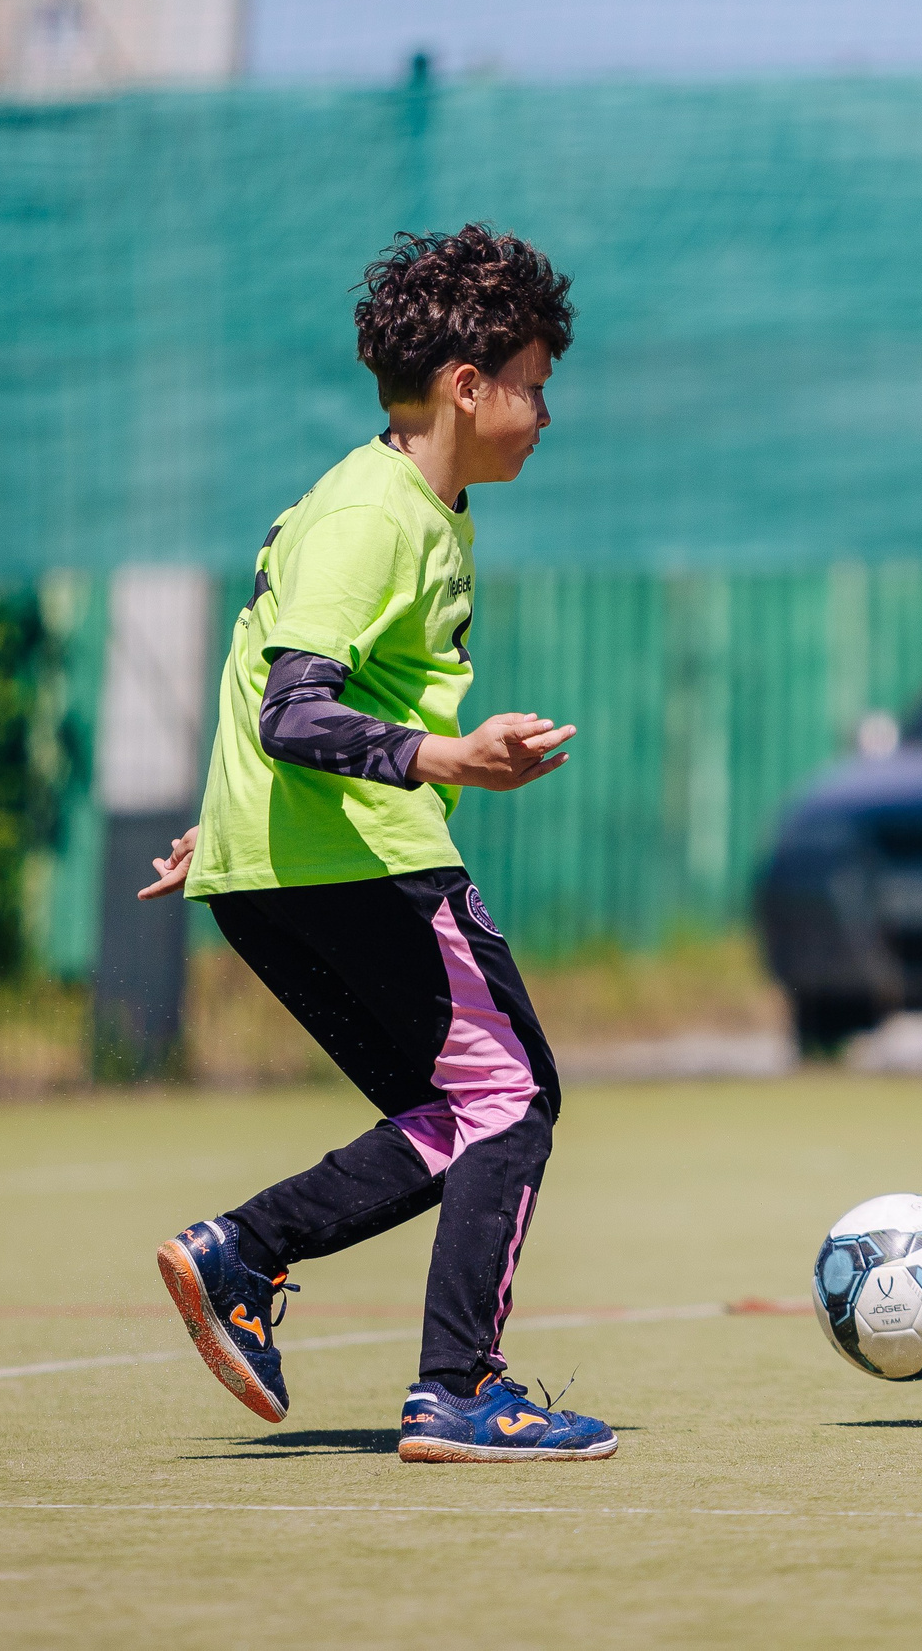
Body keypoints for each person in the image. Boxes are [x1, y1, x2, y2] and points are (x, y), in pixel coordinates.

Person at [138, 225, 617, 1462]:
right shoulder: (375, 514)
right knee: (512, 1099)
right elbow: (291, 705)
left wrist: (233, 828)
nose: (546, 414)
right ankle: (458, 1389)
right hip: (364, 859)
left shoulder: (404, 506)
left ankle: (242, 1249)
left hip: (284, 864)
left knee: (450, 1110)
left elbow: (274, 684)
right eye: (536, 384)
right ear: (468, 387)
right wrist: (448, 758)